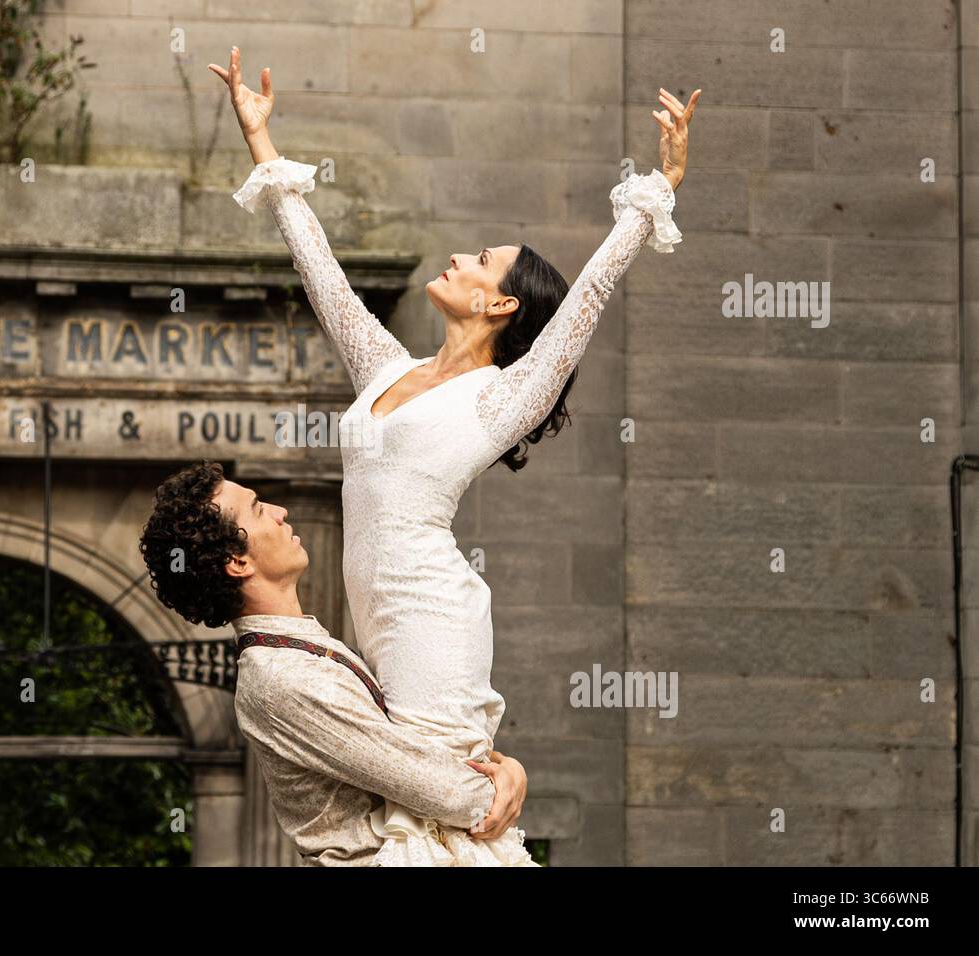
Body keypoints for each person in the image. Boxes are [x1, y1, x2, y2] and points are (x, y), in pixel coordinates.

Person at [209, 46, 698, 864]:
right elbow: (321, 273)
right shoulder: (387, 368)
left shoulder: (503, 397)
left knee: (442, 815)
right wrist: (262, 141)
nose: (459, 257)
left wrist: (659, 191)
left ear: (499, 302)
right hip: (384, 621)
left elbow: (590, 295)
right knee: (425, 795)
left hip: (431, 618)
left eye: (479, 260)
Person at [138, 460, 532, 866]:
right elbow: (437, 787)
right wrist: (502, 784)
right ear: (238, 562)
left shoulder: (295, 651)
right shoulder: (278, 678)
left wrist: (506, 769)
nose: (280, 512)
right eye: (258, 509)